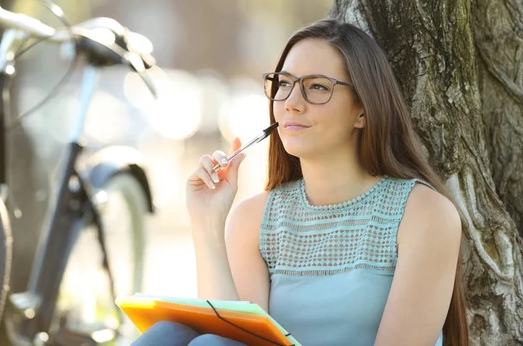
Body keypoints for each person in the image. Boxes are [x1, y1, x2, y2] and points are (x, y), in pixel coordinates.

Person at [132, 19, 469, 346]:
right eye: (284, 83)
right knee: (169, 335)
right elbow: (230, 337)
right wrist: (206, 221)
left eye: (317, 86)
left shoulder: (424, 215)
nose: (291, 102)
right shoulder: (254, 219)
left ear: (363, 111)